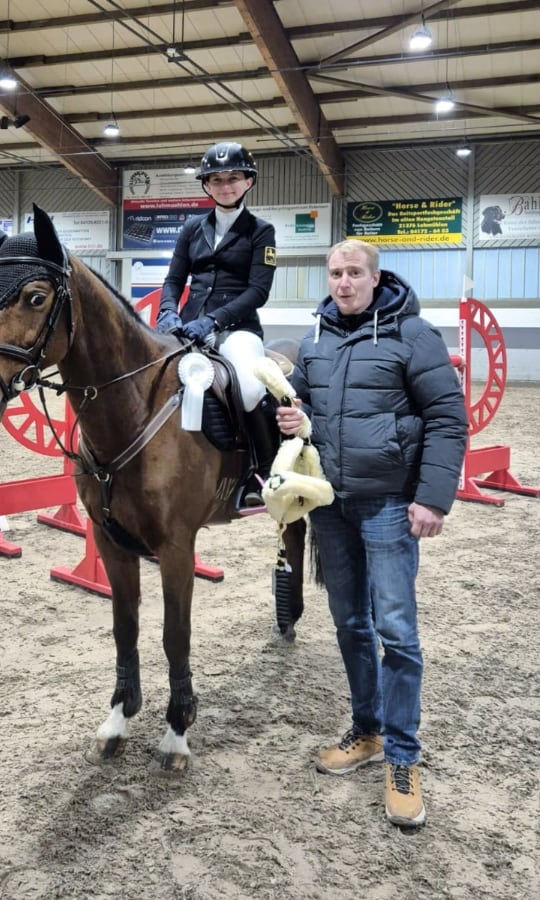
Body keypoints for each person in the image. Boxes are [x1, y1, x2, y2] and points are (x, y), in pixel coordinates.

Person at [275, 239, 468, 828]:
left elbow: (447, 418)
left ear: (375, 276)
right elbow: (307, 405)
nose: (343, 282)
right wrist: (295, 414)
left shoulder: (414, 335)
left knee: (397, 631)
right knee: (350, 624)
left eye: (353, 272)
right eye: (334, 273)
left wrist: (431, 498)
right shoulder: (315, 339)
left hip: (388, 504)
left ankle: (403, 756)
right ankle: (368, 731)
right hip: (330, 504)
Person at [155, 141, 278, 507]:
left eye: (234, 178)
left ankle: (263, 472)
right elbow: (174, 279)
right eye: (217, 179)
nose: (226, 185)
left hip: (236, 328)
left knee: (252, 389)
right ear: (206, 185)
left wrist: (213, 321)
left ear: (248, 182)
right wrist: (167, 312)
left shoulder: (261, 231)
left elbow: (258, 291)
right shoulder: (192, 228)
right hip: (188, 326)